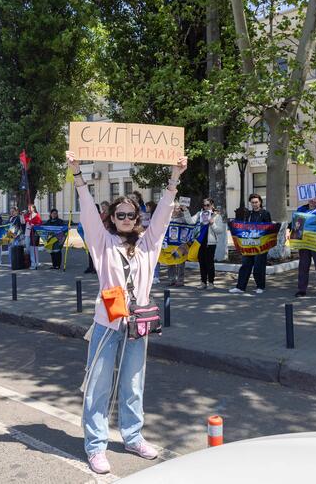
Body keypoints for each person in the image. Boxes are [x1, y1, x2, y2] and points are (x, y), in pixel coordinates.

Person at [66, 150, 187, 475]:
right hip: (108, 322)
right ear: (112, 218)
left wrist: (175, 177)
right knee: (99, 385)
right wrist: (78, 175)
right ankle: (96, 446)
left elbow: (163, 214)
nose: (125, 219)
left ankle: (133, 437)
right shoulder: (102, 242)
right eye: (119, 215)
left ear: (138, 218)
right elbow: (89, 212)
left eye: (131, 215)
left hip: (139, 324)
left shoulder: (148, 245)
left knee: (133, 383)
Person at [229, 194, 270, 294]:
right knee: (245, 265)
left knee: (258, 266)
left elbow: (269, 228)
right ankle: (240, 287)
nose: (254, 204)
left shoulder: (265, 213)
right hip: (248, 244)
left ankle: (260, 286)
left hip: (260, 244)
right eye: (252, 202)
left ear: (260, 202)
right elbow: (243, 226)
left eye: (256, 202)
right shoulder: (248, 214)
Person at [166, 204, 189, 287]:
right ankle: (171, 279)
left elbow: (189, 224)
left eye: (179, 208)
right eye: (176, 207)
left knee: (180, 261)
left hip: (180, 243)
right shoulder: (167, 218)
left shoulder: (183, 218)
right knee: (170, 261)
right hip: (170, 242)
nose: (178, 209)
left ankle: (180, 280)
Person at [24, 204, 42, 269]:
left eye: (30, 208)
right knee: (29, 249)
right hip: (27, 233)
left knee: (33, 249)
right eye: (28, 208)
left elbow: (39, 224)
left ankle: (34, 263)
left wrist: (33, 224)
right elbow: (24, 221)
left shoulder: (36, 215)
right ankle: (34, 262)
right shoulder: (28, 215)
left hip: (33, 234)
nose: (29, 209)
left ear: (33, 208)